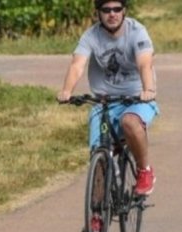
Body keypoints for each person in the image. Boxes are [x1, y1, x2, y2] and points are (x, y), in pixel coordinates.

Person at [57, 0, 159, 213]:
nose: (112, 14)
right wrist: (66, 90)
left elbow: (144, 63)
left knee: (130, 122)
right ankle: (96, 216)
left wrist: (148, 89)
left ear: (124, 11)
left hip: (137, 99)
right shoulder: (91, 36)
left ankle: (144, 171)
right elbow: (77, 64)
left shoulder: (137, 31)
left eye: (117, 9)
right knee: (99, 157)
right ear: (98, 13)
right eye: (106, 10)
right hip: (104, 101)